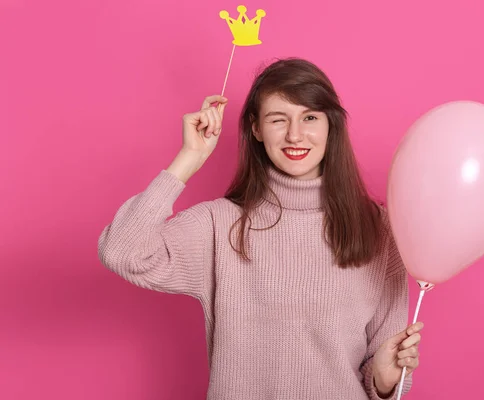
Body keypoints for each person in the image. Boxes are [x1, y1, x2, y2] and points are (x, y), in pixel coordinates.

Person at [98, 57, 423, 400]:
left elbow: (380, 370)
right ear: (256, 129)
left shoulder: (379, 228)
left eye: (310, 117)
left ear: (331, 125)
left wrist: (386, 381)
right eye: (278, 119)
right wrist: (189, 158)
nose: (295, 134)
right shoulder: (220, 224)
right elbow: (122, 252)